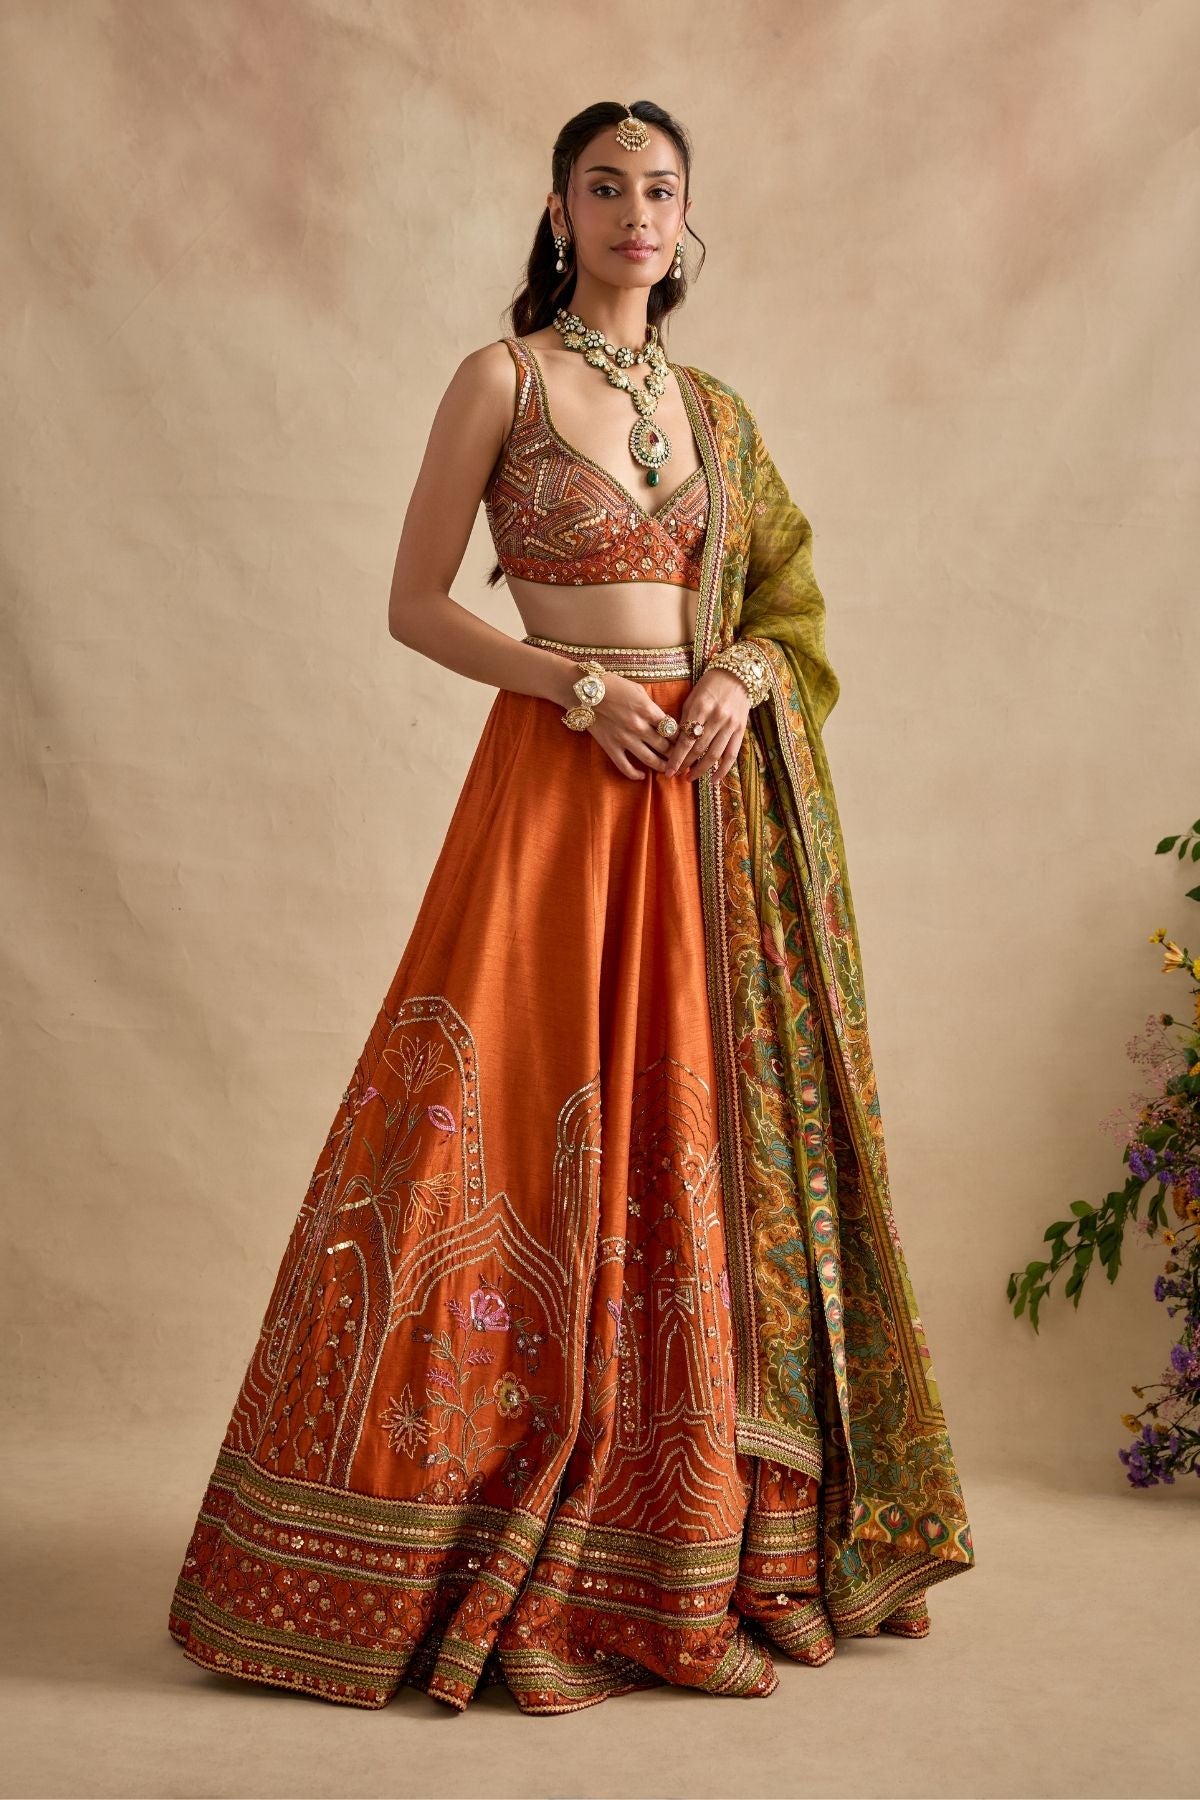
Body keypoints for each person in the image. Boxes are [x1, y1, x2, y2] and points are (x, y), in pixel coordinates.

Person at [167, 97, 975, 1717]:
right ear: (559, 210)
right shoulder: (506, 379)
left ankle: (691, 1545)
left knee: (698, 1139)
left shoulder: (717, 413)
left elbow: (789, 604)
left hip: (703, 814)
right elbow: (413, 604)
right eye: (605, 186)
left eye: (660, 188)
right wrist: (576, 687)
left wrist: (740, 678)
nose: (635, 213)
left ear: (686, 214)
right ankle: (423, 1543)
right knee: (507, 1121)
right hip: (559, 787)